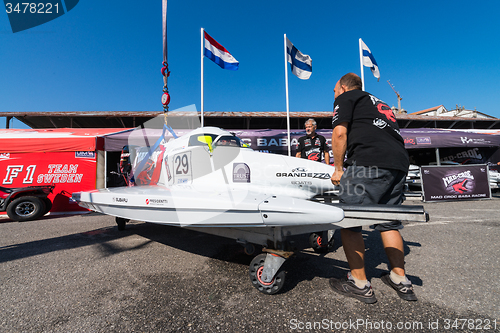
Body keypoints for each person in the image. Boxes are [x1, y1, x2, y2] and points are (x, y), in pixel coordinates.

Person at [329, 73, 416, 304]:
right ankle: (400, 279)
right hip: (397, 164)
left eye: (335, 90)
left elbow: (339, 133)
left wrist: (338, 169)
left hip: (368, 162)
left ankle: (359, 283)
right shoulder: (380, 103)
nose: (334, 95)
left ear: (344, 88)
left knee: (349, 221)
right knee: (388, 221)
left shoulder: (348, 98)